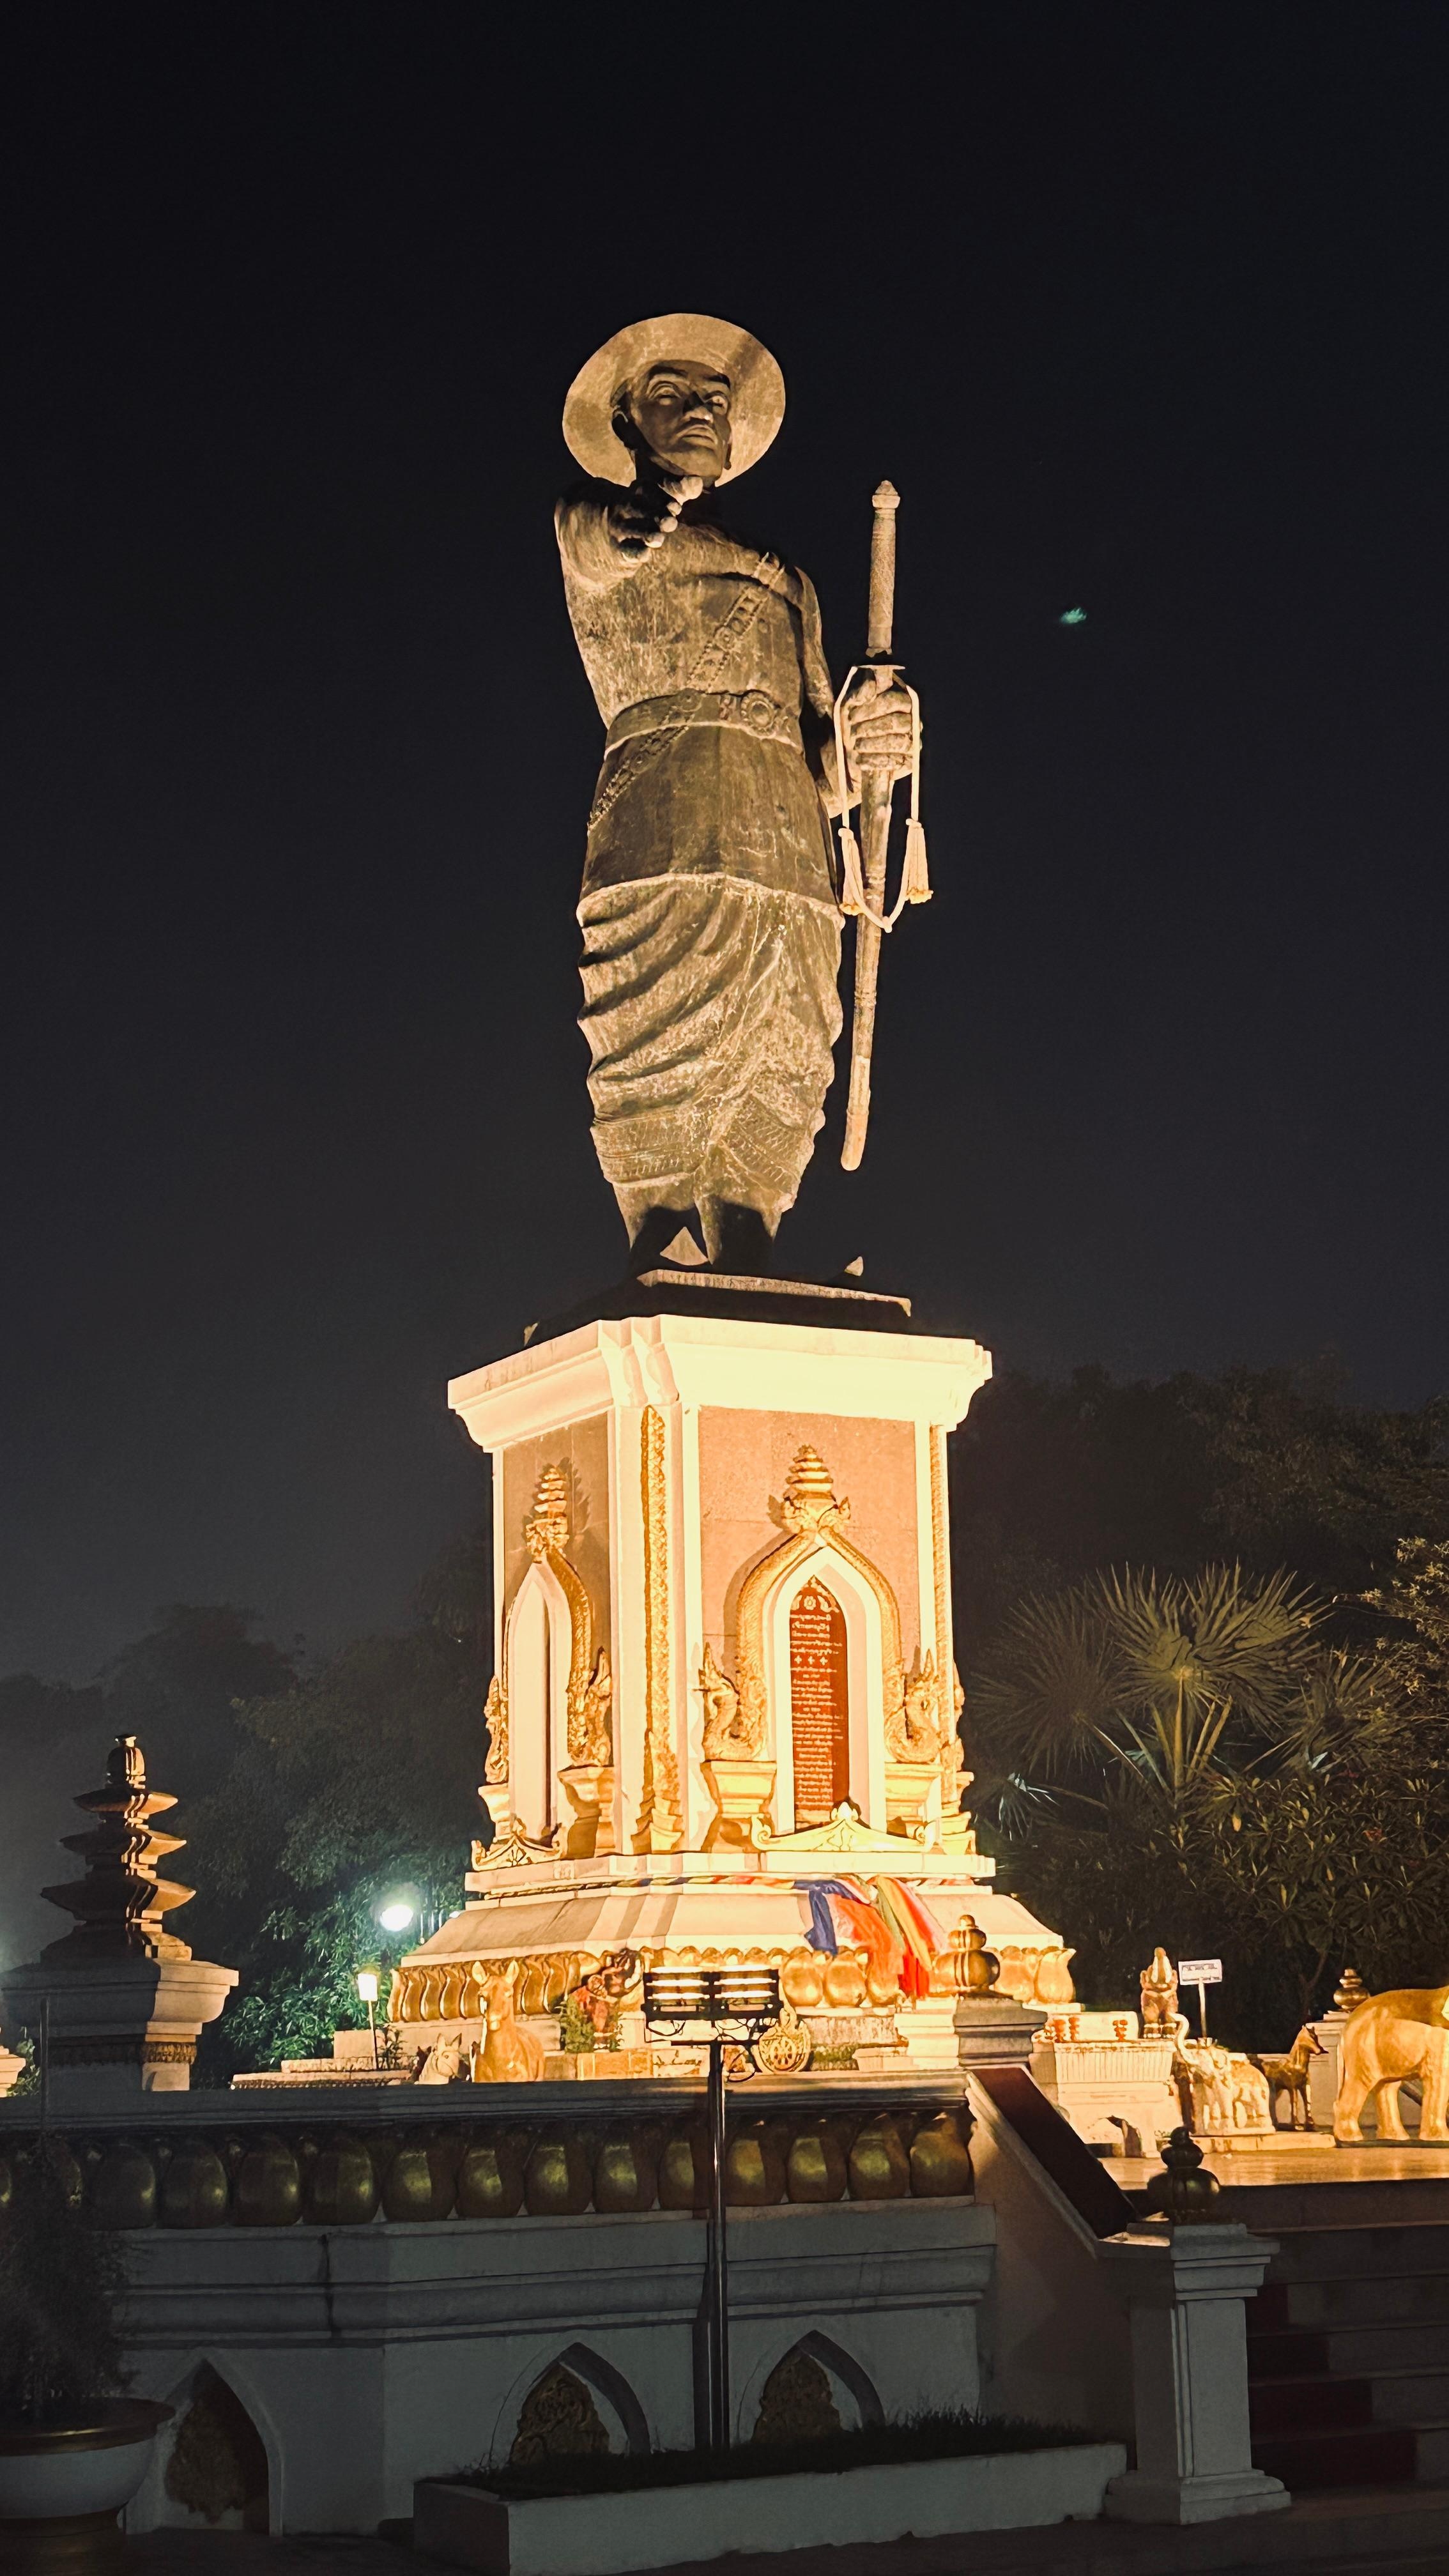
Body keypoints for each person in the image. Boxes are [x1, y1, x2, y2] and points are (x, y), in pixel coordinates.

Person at [556, 313, 914, 1273]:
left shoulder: (789, 578)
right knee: (655, 1021)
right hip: (663, 813)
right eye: (672, 395)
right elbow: (599, 545)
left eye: (716, 398)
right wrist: (632, 522)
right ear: (628, 419)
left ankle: (749, 1220)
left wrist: (867, 747)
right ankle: (658, 1222)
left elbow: (819, 744)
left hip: (784, 829)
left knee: (786, 1023)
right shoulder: (592, 528)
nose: (701, 411)